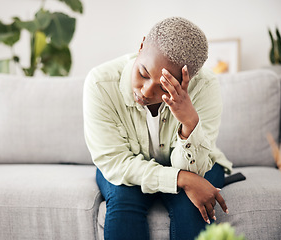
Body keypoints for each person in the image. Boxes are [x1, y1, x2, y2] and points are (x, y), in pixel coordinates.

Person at [83, 16, 233, 240]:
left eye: (163, 87)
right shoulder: (100, 84)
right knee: (124, 201)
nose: (145, 91)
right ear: (141, 46)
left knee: (191, 206)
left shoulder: (205, 86)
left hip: (197, 162)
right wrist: (180, 179)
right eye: (143, 73)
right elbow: (115, 162)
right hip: (127, 162)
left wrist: (189, 123)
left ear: (189, 80)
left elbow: (195, 170)